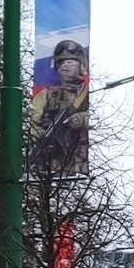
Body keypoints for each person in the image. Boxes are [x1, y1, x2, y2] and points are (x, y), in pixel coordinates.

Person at [28, 39, 91, 174]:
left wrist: (82, 118)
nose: (65, 66)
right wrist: (39, 134)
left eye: (70, 62)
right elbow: (33, 121)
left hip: (77, 159)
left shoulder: (86, 94)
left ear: (81, 66)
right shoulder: (46, 94)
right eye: (61, 63)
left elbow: (96, 118)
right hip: (50, 159)